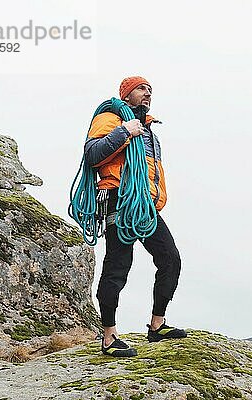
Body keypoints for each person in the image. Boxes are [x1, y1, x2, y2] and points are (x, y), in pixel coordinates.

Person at [83, 76, 186, 357]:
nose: (148, 93)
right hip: (118, 198)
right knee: (118, 265)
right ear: (127, 95)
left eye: (151, 90)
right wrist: (124, 132)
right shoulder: (110, 117)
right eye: (142, 89)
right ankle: (109, 336)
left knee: (170, 258)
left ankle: (157, 325)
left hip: (144, 205)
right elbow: (92, 155)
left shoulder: (150, 130)